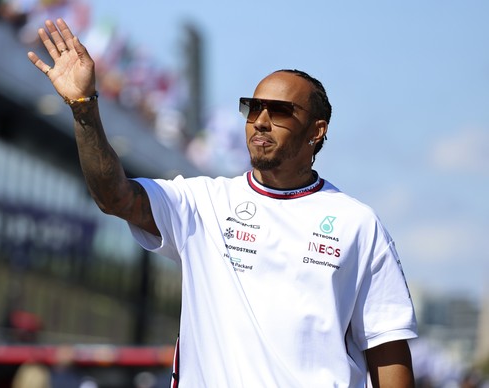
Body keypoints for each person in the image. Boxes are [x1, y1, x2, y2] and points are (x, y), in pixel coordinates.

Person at [28, 18, 418, 387]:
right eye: (253, 108)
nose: (260, 121)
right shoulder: (203, 202)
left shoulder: (357, 224)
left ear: (317, 131)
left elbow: (388, 351)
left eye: (280, 111)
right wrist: (84, 107)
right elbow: (114, 195)